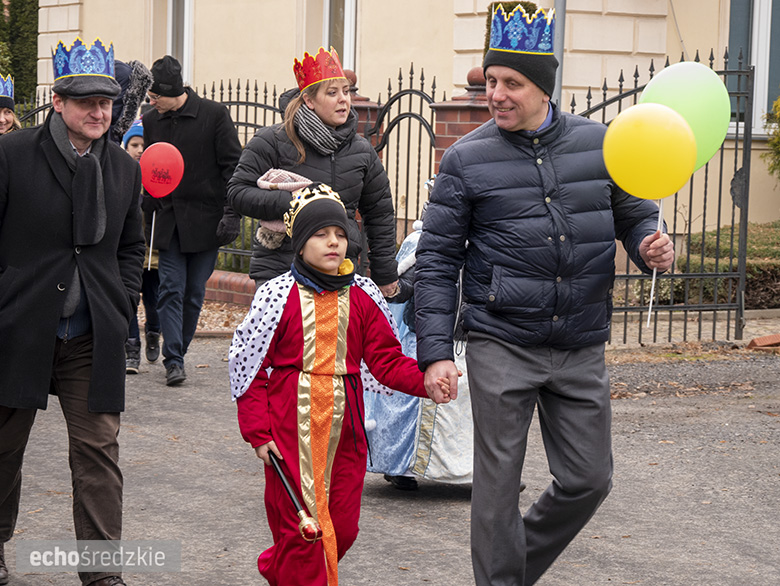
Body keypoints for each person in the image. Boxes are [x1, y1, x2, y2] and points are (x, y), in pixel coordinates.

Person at [414, 5, 675, 586]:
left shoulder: (601, 144)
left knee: (589, 479)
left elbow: (636, 217)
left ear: (543, 88)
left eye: (512, 83)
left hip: (579, 340)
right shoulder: (465, 159)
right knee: (499, 483)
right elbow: (436, 261)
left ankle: (510, 566)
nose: (496, 95)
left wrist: (653, 246)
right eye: (491, 83)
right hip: (500, 338)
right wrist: (434, 351)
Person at [228, 183, 450, 586]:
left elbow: (386, 360)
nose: (333, 242)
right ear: (298, 244)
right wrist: (257, 432)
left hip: (345, 431)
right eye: (320, 234)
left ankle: (279, 567)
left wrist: (425, 383)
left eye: (341, 234)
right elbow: (250, 366)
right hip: (288, 429)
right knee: (304, 530)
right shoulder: (276, 296)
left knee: (341, 528)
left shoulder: (363, 296)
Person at [0, 37, 145, 586]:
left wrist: (121, 297)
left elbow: (131, 247)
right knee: (3, 448)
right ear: (57, 102)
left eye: (106, 101)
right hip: (19, 328)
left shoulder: (123, 169)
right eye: (85, 100)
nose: (98, 111)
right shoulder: (12, 155)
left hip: (90, 335)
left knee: (97, 452)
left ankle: (103, 572)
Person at [227, 46, 399, 296]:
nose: (344, 99)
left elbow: (380, 214)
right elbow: (237, 193)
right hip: (279, 272)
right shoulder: (272, 141)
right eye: (332, 93)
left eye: (346, 91)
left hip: (338, 272)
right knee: (287, 337)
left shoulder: (362, 151)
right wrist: (296, 202)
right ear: (309, 100)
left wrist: (385, 275)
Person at [142, 55, 242, 386]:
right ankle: (174, 359)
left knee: (194, 292)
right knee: (170, 287)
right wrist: (149, 195)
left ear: (172, 92)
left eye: (155, 97)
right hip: (168, 219)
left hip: (206, 220)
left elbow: (233, 166)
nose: (151, 103)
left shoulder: (214, 115)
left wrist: (232, 213)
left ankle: (178, 352)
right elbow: (153, 166)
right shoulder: (152, 120)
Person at [365, 191, 474, 491]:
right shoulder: (422, 243)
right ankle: (403, 468)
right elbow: (411, 283)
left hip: (469, 342)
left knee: (471, 412)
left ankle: (475, 474)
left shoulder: (486, 243)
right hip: (427, 340)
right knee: (413, 405)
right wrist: (392, 287)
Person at [122, 120, 161, 373]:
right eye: (134, 145)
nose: (139, 150)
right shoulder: (122, 175)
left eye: (143, 146)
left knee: (153, 299)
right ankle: (131, 347)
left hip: (153, 253)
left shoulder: (156, 177)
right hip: (128, 252)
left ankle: (154, 332)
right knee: (128, 299)